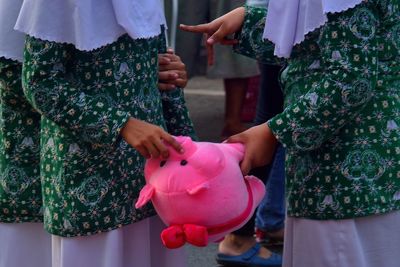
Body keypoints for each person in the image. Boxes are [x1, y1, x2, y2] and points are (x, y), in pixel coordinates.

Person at [181, 1, 400, 266]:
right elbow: (317, 44)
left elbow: (352, 78)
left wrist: (275, 133)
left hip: (344, 174)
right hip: (343, 168)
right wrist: (249, 22)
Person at [3, 1, 195, 267]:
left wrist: (192, 152)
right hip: (88, 178)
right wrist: (120, 123)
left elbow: (163, 71)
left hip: (150, 173)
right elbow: (39, 83)